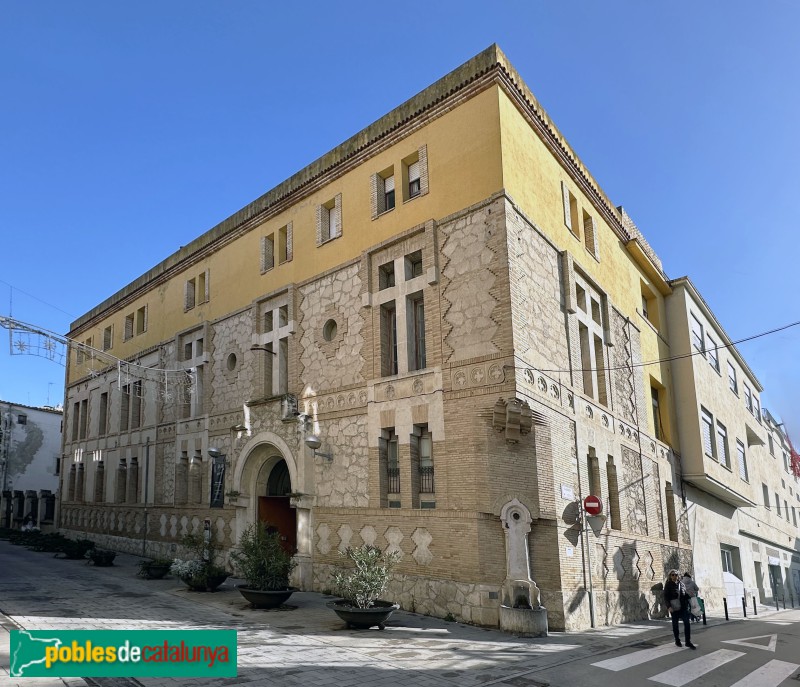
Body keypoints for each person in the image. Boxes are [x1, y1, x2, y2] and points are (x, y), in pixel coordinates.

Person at [663, 569, 695, 649]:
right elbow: (666, 597)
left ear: (678, 576)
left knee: (687, 623)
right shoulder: (668, 585)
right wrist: (669, 607)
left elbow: (685, 595)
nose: (674, 576)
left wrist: (690, 595)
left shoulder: (682, 584)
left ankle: (688, 642)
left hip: (683, 607)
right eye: (672, 575)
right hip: (674, 608)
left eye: (676, 575)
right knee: (675, 625)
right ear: (670, 576)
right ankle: (677, 640)